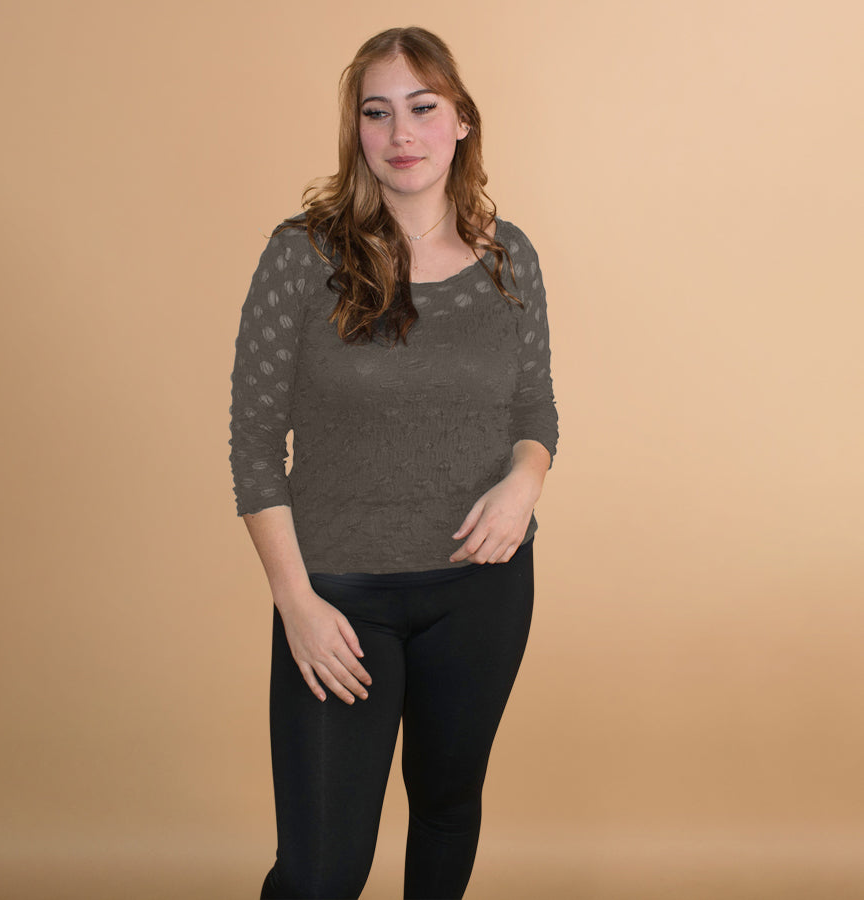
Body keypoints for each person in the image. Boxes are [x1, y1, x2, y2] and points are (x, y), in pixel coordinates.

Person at [228, 25, 558, 900]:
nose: (401, 133)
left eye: (422, 108)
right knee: (320, 873)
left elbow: (534, 410)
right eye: (377, 113)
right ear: (357, 130)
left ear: (461, 121)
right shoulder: (301, 256)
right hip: (340, 602)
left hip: (481, 590)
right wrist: (296, 603)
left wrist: (524, 483)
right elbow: (254, 444)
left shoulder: (508, 256)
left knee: (446, 810)